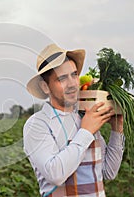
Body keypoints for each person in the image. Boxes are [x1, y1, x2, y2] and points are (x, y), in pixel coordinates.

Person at [23, 44, 125, 197]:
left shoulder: (83, 116)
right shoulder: (38, 124)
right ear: (45, 87)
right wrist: (86, 131)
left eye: (74, 74)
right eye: (62, 78)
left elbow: (108, 172)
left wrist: (117, 130)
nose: (72, 84)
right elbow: (55, 174)